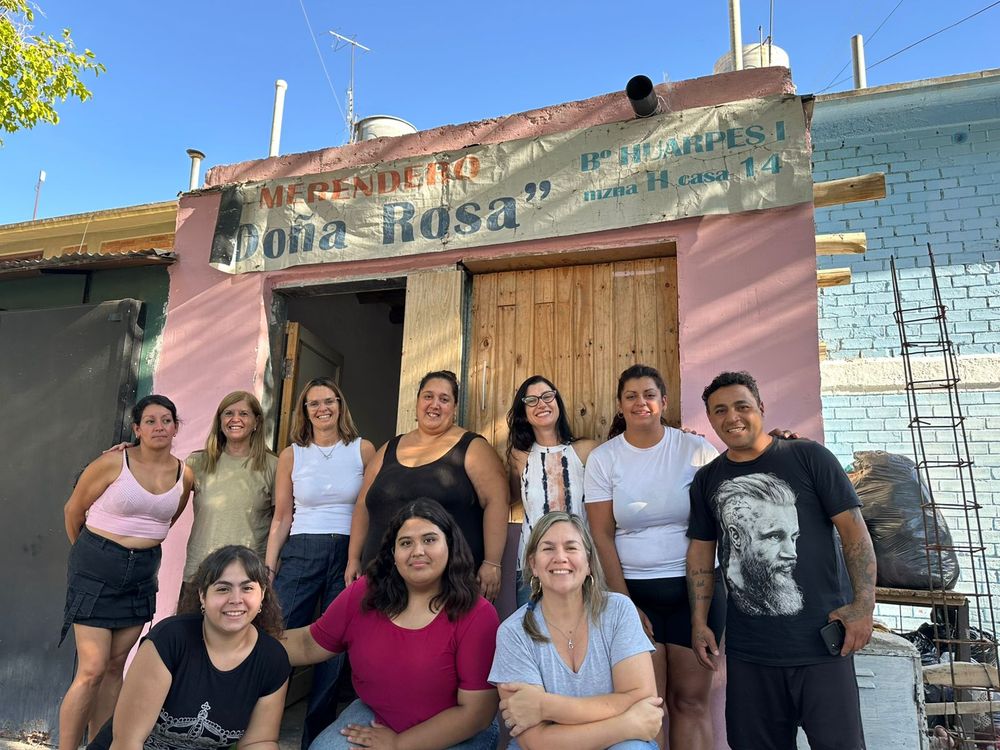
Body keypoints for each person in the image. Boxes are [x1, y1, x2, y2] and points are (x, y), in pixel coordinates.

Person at [687, 370, 876, 750]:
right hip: (750, 653)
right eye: (720, 410)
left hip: (823, 645)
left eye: (742, 406)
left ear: (761, 407)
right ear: (710, 418)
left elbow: (854, 532)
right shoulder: (707, 480)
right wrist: (699, 621)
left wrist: (864, 605)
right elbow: (701, 552)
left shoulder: (809, 457)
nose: (732, 417)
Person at [282, 499, 500, 750]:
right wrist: (250, 641)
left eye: (429, 540)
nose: (418, 551)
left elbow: (477, 713)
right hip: (378, 714)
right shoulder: (366, 593)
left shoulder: (477, 614)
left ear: (450, 546)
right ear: (393, 554)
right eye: (406, 543)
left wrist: (399, 744)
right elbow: (309, 643)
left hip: (455, 730)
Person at [583, 364, 724, 750]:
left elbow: (718, 519)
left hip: (696, 595)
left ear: (663, 401)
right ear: (620, 404)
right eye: (631, 396)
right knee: (648, 706)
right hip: (633, 594)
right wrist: (625, 604)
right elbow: (601, 534)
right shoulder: (604, 459)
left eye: (649, 395)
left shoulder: (696, 450)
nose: (640, 402)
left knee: (691, 702)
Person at [60, 395, 195, 750]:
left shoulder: (185, 474)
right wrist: (93, 556)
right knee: (91, 668)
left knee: (115, 667)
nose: (159, 427)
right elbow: (74, 510)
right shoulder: (111, 462)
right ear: (136, 429)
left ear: (175, 427)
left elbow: (165, 520)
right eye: (150, 421)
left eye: (166, 420)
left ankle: (98, 746)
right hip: (96, 567)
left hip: (142, 575)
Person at [86, 545, 290, 750]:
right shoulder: (170, 640)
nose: (236, 600)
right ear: (203, 596)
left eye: (247, 588)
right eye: (223, 589)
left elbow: (259, 741)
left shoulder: (272, 658)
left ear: (262, 594)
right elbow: (127, 741)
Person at [489, 511, 663, 750]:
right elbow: (535, 741)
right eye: (548, 548)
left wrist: (544, 706)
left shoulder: (618, 611)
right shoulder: (513, 633)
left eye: (571, 548)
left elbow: (641, 699)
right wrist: (625, 725)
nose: (560, 557)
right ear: (533, 564)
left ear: (589, 562)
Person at [264, 377, 375, 747]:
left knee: (335, 646)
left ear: (340, 405)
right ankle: (260, 730)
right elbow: (282, 515)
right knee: (276, 636)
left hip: (347, 553)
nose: (323, 408)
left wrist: (359, 557)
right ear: (305, 411)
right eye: (314, 403)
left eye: (329, 401)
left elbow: (370, 508)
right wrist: (269, 566)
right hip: (301, 550)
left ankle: (317, 739)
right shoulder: (292, 454)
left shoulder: (362, 450)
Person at [346, 370, 509, 601]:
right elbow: (363, 504)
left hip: (446, 585)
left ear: (454, 408)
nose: (435, 404)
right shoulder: (388, 448)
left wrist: (492, 562)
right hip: (380, 580)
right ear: (417, 402)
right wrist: (353, 558)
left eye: (444, 399)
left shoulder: (473, 448)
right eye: (428, 396)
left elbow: (497, 501)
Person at [506, 375, 598, 606]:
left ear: (557, 402)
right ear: (523, 412)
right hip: (532, 567)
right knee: (534, 627)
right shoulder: (519, 456)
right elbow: (508, 499)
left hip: (581, 563)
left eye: (547, 396)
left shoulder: (587, 450)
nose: (541, 404)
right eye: (531, 400)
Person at [182, 390, 278, 602]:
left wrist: (270, 570)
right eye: (228, 413)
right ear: (220, 421)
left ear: (256, 422)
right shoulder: (197, 462)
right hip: (200, 572)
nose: (235, 419)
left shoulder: (273, 466)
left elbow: (281, 523)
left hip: (247, 577)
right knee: (189, 624)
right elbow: (158, 482)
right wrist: (133, 450)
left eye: (243, 414)